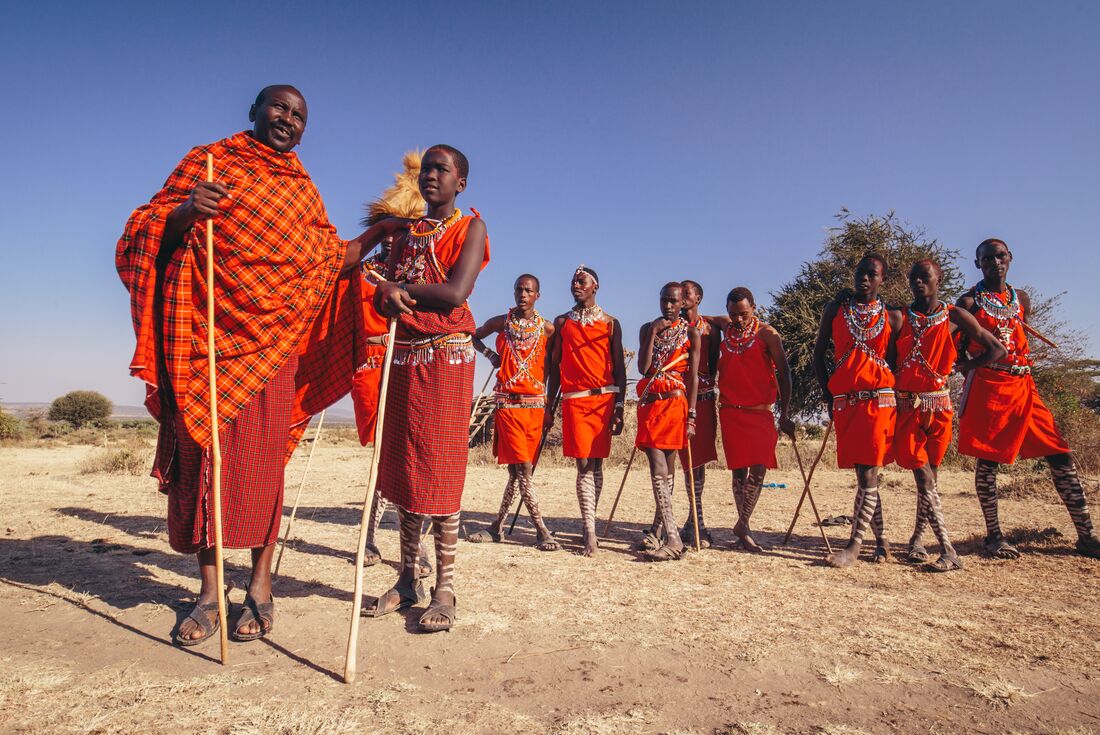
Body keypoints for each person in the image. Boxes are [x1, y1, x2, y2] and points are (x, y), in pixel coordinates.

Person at [117, 85, 402, 645]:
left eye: (299, 115)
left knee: (264, 467)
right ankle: (207, 594)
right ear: (253, 111)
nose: (288, 119)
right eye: (279, 108)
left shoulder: (300, 191)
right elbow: (140, 234)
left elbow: (329, 257)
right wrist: (184, 212)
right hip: (207, 344)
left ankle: (261, 588)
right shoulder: (209, 162)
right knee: (206, 466)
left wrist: (376, 235)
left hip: (273, 350)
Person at [362, 145, 490, 633]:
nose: (432, 175)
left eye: (443, 169)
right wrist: (381, 287)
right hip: (404, 354)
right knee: (403, 468)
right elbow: (381, 280)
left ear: (460, 183)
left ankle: (445, 587)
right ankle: (407, 578)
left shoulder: (470, 228)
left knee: (438, 469)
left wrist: (397, 292)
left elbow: (456, 291)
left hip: (447, 355)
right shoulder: (405, 233)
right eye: (428, 168)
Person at [956, 239, 1100, 559]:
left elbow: (1019, 336)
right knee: (989, 462)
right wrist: (978, 369)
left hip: (1025, 386)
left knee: (1059, 453)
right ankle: (994, 538)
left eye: (1001, 256)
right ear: (978, 264)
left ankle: (1087, 537)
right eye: (988, 258)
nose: (996, 262)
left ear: (1011, 258)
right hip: (989, 387)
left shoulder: (1021, 299)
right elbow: (957, 352)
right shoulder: (968, 303)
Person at [352, 151, 432, 577]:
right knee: (385, 453)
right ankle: (368, 534)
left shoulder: (417, 278)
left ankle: (412, 546)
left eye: (402, 233)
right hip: (369, 366)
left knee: (408, 452)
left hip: (407, 365)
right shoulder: (361, 275)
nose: (391, 241)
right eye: (388, 233)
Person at [897, 260, 1004, 572]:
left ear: (938, 279)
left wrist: (963, 367)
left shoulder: (954, 315)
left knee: (930, 475)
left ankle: (917, 538)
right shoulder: (900, 316)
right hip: (908, 406)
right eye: (913, 277)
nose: (918, 282)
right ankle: (947, 548)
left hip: (939, 406)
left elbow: (995, 348)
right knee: (923, 475)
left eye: (924, 277)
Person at [813, 254, 902, 567]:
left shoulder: (892, 316)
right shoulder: (836, 309)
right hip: (846, 402)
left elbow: (895, 362)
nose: (864, 279)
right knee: (867, 472)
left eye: (871, 274)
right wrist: (828, 392)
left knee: (867, 472)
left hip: (880, 401)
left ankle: (854, 545)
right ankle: (883, 542)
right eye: (859, 273)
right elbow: (818, 351)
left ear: (882, 280)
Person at [466, 274, 560, 551]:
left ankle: (497, 527)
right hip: (508, 404)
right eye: (519, 289)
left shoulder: (547, 329)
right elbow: (473, 336)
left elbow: (551, 366)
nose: (522, 294)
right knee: (524, 469)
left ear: (537, 296)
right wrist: (489, 355)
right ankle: (542, 530)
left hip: (534, 406)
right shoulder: (500, 322)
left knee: (516, 472)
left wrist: (547, 403)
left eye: (528, 291)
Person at [544, 266, 628, 556]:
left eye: (581, 281)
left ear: (596, 287)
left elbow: (618, 368)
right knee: (583, 465)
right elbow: (554, 369)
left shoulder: (611, 323)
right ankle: (589, 531)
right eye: (573, 281)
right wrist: (548, 405)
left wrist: (619, 407)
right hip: (575, 400)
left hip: (604, 400)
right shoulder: (562, 322)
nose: (575, 285)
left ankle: (588, 520)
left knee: (598, 463)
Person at [714, 287, 796, 552]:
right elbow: (702, 318)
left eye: (744, 314)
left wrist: (785, 413)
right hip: (730, 411)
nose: (738, 320)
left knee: (759, 468)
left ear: (754, 309)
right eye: (733, 314)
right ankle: (744, 528)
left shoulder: (768, 335)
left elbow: (784, 374)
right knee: (739, 470)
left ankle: (743, 522)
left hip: (761, 411)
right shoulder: (726, 327)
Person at [635, 283, 701, 561]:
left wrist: (693, 416)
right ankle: (672, 537)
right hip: (651, 404)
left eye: (674, 301)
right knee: (657, 465)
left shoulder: (692, 333)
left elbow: (694, 377)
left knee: (667, 469)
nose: (668, 306)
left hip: (676, 404)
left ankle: (664, 533)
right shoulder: (646, 329)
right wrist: (652, 331)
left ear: (682, 303)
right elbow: (643, 367)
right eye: (664, 301)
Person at [677, 280, 720, 548]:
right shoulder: (671, 327)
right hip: (675, 401)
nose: (681, 299)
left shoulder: (710, 330)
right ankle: (664, 523)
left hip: (703, 401)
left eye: (687, 294)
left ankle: (697, 521)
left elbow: (713, 364)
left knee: (698, 465)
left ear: (699, 297)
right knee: (672, 462)